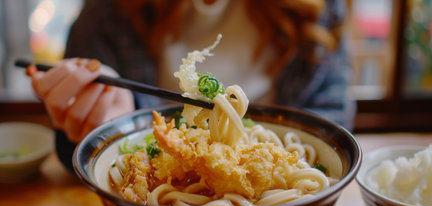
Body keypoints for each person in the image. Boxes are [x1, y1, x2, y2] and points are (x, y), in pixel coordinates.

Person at [27, 0, 355, 172]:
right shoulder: (108, 13)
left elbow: (331, 133)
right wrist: (108, 117)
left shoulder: (318, 10)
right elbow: (75, 151)